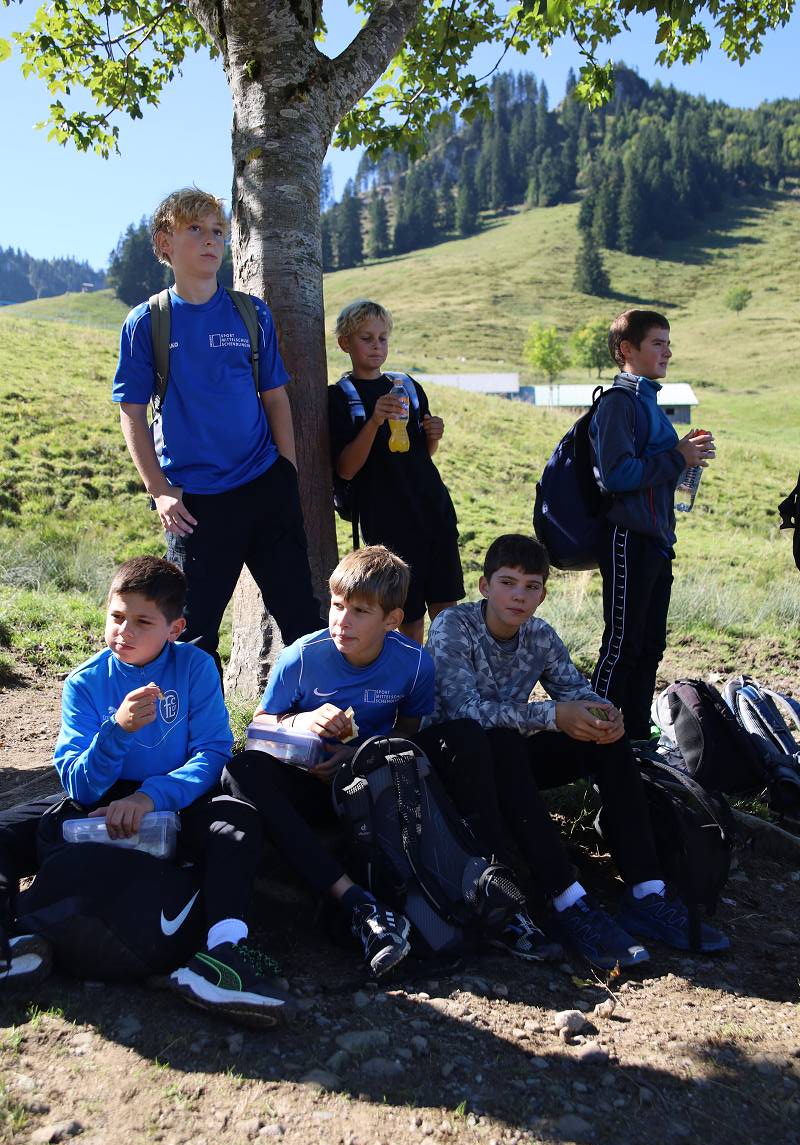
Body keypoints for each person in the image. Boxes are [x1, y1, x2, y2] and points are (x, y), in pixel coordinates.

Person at [222, 545, 559, 976]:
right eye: (338, 606)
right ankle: (358, 904)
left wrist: (360, 753)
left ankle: (496, 891)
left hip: (378, 781)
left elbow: (409, 732)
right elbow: (260, 727)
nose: (342, 621)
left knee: (465, 736)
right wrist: (301, 722)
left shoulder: (413, 663)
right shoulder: (302, 657)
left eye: (360, 611)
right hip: (311, 781)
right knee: (240, 771)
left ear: (392, 620)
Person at [0, 556, 293, 1025]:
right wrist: (116, 731)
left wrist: (151, 797)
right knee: (7, 830)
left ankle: (223, 954)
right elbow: (79, 784)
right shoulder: (85, 683)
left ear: (174, 628)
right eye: (117, 616)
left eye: (142, 621)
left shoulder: (195, 667)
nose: (125, 631)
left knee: (236, 824)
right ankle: (10, 945)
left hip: (177, 798)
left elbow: (212, 752)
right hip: (101, 801)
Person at [424, 534, 729, 969]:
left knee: (605, 738)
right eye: (508, 583)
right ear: (484, 586)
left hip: (508, 756)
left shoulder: (540, 635)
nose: (518, 595)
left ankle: (646, 891)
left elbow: (574, 692)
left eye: (531, 586)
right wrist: (553, 715)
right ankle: (566, 899)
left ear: (543, 595)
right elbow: (464, 712)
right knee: (502, 741)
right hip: (454, 762)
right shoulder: (454, 625)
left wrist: (605, 715)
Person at [112, 186, 320, 675]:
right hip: (195, 506)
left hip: (265, 487)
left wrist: (286, 472)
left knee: (302, 620)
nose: (211, 240)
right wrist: (160, 491)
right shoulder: (147, 322)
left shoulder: (251, 313)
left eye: (218, 232)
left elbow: (275, 398)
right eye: (195, 229)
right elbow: (132, 413)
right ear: (164, 243)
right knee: (192, 633)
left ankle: (316, 719)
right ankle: (200, 723)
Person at [589, 310, 715, 739]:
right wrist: (678, 456)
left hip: (657, 541)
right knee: (622, 646)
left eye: (668, 343)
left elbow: (653, 473)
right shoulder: (618, 402)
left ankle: (637, 739)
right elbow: (616, 476)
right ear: (627, 349)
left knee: (649, 648)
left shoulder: (649, 403)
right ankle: (594, 741)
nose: (668, 352)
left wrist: (686, 459)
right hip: (628, 537)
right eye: (658, 343)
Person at [328, 299, 464, 644]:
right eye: (366, 338)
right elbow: (345, 469)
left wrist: (433, 436)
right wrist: (374, 420)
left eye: (382, 338)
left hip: (433, 509)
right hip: (387, 520)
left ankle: (445, 674)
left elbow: (421, 454)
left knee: (446, 611)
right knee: (405, 615)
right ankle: (410, 675)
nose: (377, 346)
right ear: (345, 343)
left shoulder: (407, 386)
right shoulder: (340, 398)